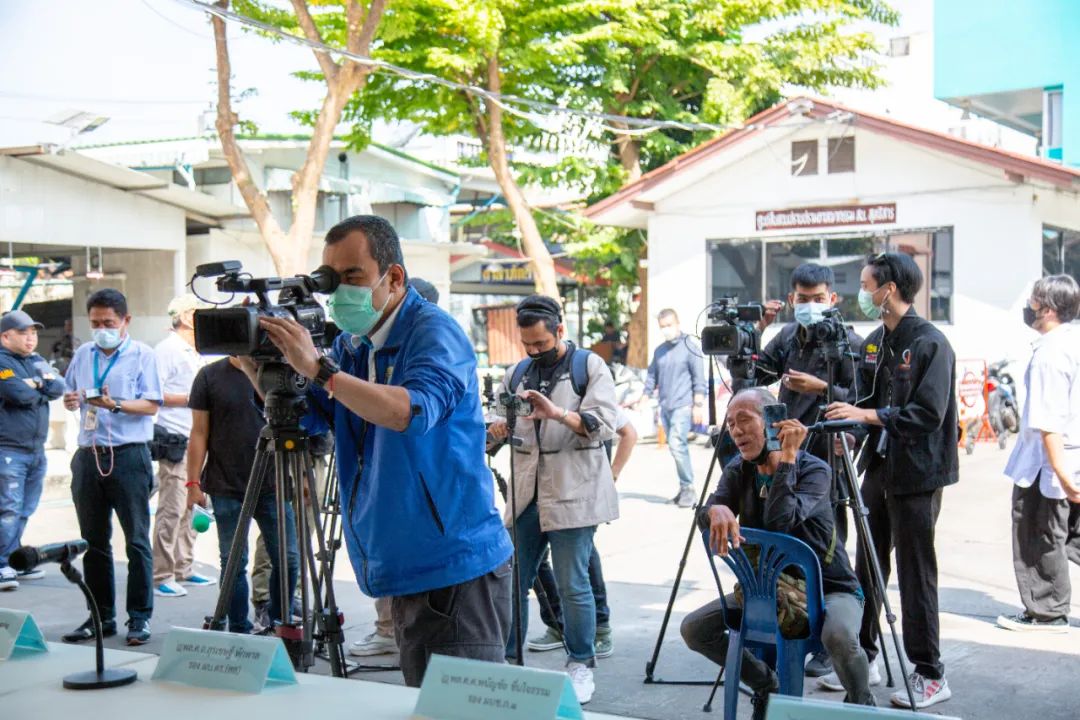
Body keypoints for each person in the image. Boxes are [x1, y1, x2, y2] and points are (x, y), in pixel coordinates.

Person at [242, 214, 512, 687]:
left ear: (394, 277)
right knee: (423, 702)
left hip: (452, 568)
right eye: (331, 280)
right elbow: (316, 419)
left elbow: (409, 411)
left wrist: (320, 370)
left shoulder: (433, 333)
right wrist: (257, 366)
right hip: (401, 565)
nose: (340, 291)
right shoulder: (354, 345)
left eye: (353, 276)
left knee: (461, 709)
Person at [681, 388, 872, 719]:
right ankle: (766, 684)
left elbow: (780, 522)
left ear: (773, 422)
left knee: (839, 636)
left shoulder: (815, 471)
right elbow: (705, 515)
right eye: (730, 423)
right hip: (769, 588)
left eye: (744, 420)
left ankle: (861, 703)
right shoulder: (739, 470)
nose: (736, 431)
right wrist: (713, 510)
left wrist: (787, 459)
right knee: (694, 629)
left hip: (830, 588)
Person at [823, 252, 957, 709]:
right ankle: (866, 655)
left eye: (866, 286)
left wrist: (865, 416)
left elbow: (927, 414)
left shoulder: (931, 344)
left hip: (918, 473)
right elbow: (865, 404)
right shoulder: (875, 342)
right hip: (879, 468)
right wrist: (852, 431)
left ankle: (930, 673)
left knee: (915, 573)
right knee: (867, 567)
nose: (862, 293)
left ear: (890, 289)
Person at [489, 294, 619, 704]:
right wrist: (496, 430)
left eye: (541, 343)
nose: (533, 351)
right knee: (511, 579)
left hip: (573, 491)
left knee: (572, 584)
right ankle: (509, 660)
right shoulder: (517, 373)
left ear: (560, 330)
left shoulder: (589, 367)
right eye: (526, 344)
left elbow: (605, 425)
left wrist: (558, 413)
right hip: (526, 492)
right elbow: (500, 418)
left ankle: (581, 663)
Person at [752, 262, 864, 677]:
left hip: (827, 458)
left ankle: (831, 640)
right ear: (791, 298)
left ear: (832, 298)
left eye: (818, 299)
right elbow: (753, 374)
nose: (810, 306)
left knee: (828, 545)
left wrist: (821, 388)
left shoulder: (849, 342)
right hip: (784, 452)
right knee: (785, 537)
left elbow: (862, 401)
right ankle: (791, 627)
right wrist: (758, 330)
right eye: (803, 298)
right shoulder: (787, 337)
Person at [61, 289, 162, 646]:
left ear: (125, 321)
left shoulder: (142, 355)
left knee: (136, 540)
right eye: (96, 323)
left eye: (108, 323)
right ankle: (100, 616)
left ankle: (139, 617)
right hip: (89, 454)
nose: (101, 330)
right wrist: (71, 400)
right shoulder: (84, 354)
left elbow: (152, 404)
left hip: (128, 454)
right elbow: (72, 394)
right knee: (94, 542)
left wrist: (114, 404)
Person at [185, 356, 299, 633]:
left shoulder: (277, 374)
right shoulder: (209, 376)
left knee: (288, 558)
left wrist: (302, 476)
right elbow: (199, 432)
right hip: (226, 484)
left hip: (273, 484)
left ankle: (279, 623)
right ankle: (239, 627)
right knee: (233, 561)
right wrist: (192, 483)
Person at [998, 274, 1080, 632]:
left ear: (1047, 308)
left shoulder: (1050, 353)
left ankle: (1047, 612)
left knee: (1039, 535)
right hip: (1068, 457)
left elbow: (1048, 423)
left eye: (1033, 300)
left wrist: (1061, 474)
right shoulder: (1073, 341)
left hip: (1050, 463)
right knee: (1070, 535)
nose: (1028, 306)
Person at [528, 408, 638, 658]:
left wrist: (612, 474)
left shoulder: (589, 396)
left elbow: (629, 433)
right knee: (536, 560)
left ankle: (599, 628)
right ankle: (558, 624)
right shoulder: (536, 395)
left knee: (582, 563)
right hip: (541, 493)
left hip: (580, 500)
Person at [151, 294, 215, 598]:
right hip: (177, 439)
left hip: (200, 439)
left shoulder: (198, 351)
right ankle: (162, 572)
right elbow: (153, 393)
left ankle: (183, 566)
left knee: (195, 506)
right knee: (172, 508)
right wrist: (193, 399)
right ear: (188, 316)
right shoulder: (167, 350)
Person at [0, 310, 65, 591]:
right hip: (9, 449)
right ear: (5, 337)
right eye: (23, 333)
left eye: (33, 333)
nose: (30, 338)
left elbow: (59, 386)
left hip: (36, 450)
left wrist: (36, 384)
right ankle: (1, 564)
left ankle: (14, 561)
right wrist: (41, 384)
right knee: (8, 509)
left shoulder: (36, 360)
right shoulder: (2, 362)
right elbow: (18, 394)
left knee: (25, 508)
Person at [642, 309, 706, 507]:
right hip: (666, 406)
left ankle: (689, 489)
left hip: (683, 405)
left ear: (678, 323)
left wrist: (698, 405)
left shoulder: (690, 348)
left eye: (669, 325)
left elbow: (699, 379)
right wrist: (644, 396)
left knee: (677, 444)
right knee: (674, 446)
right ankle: (683, 488)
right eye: (662, 326)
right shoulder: (660, 351)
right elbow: (652, 376)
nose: (666, 329)